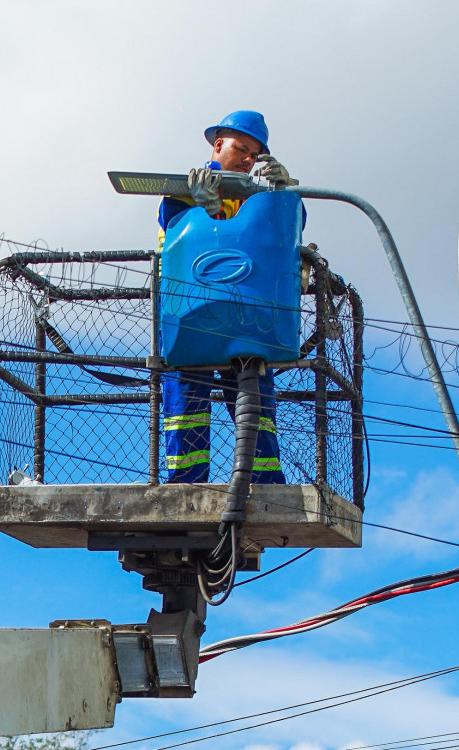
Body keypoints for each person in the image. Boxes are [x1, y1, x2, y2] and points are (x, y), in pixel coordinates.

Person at [158, 110, 294, 485]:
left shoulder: (256, 195)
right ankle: (186, 481)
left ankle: (265, 481)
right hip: (189, 304)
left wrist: (280, 194)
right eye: (243, 149)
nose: (250, 159)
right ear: (219, 145)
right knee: (187, 396)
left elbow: (284, 230)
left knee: (254, 398)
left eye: (256, 153)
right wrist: (205, 205)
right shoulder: (183, 189)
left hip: (244, 306)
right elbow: (179, 232)